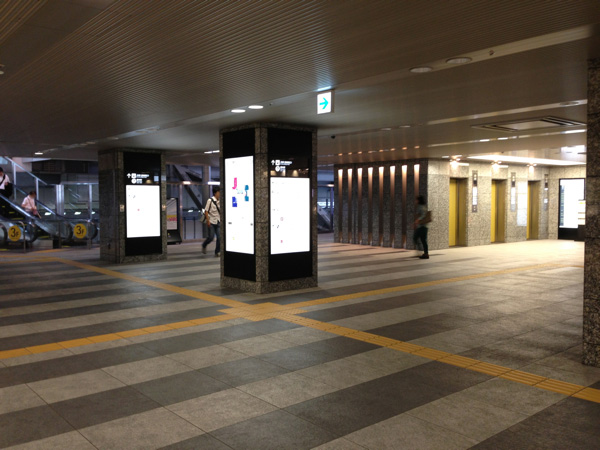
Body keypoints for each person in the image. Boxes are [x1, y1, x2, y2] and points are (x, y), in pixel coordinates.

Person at [202, 187, 221, 257]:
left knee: (219, 237)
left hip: (218, 221)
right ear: (215, 193)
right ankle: (204, 245)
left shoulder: (220, 201)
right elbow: (206, 211)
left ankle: (217, 251)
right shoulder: (210, 200)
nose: (220, 194)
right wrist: (208, 221)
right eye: (219, 192)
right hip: (211, 222)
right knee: (211, 237)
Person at [414, 195, 430, 259]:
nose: (415, 201)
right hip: (424, 226)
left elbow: (423, 215)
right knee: (423, 240)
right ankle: (425, 253)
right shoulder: (423, 206)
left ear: (419, 200)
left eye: (416, 200)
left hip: (422, 226)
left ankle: (421, 251)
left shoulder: (421, 207)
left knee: (415, 237)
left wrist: (418, 219)